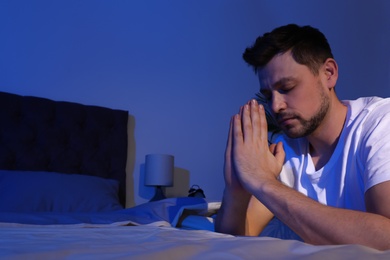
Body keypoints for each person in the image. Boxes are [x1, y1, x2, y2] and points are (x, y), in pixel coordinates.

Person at [214, 24, 390, 250]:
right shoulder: (285, 150)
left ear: (329, 74)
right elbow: (238, 238)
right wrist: (236, 191)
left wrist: (264, 183)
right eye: (268, 96)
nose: (275, 106)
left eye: (286, 88)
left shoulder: (379, 124)